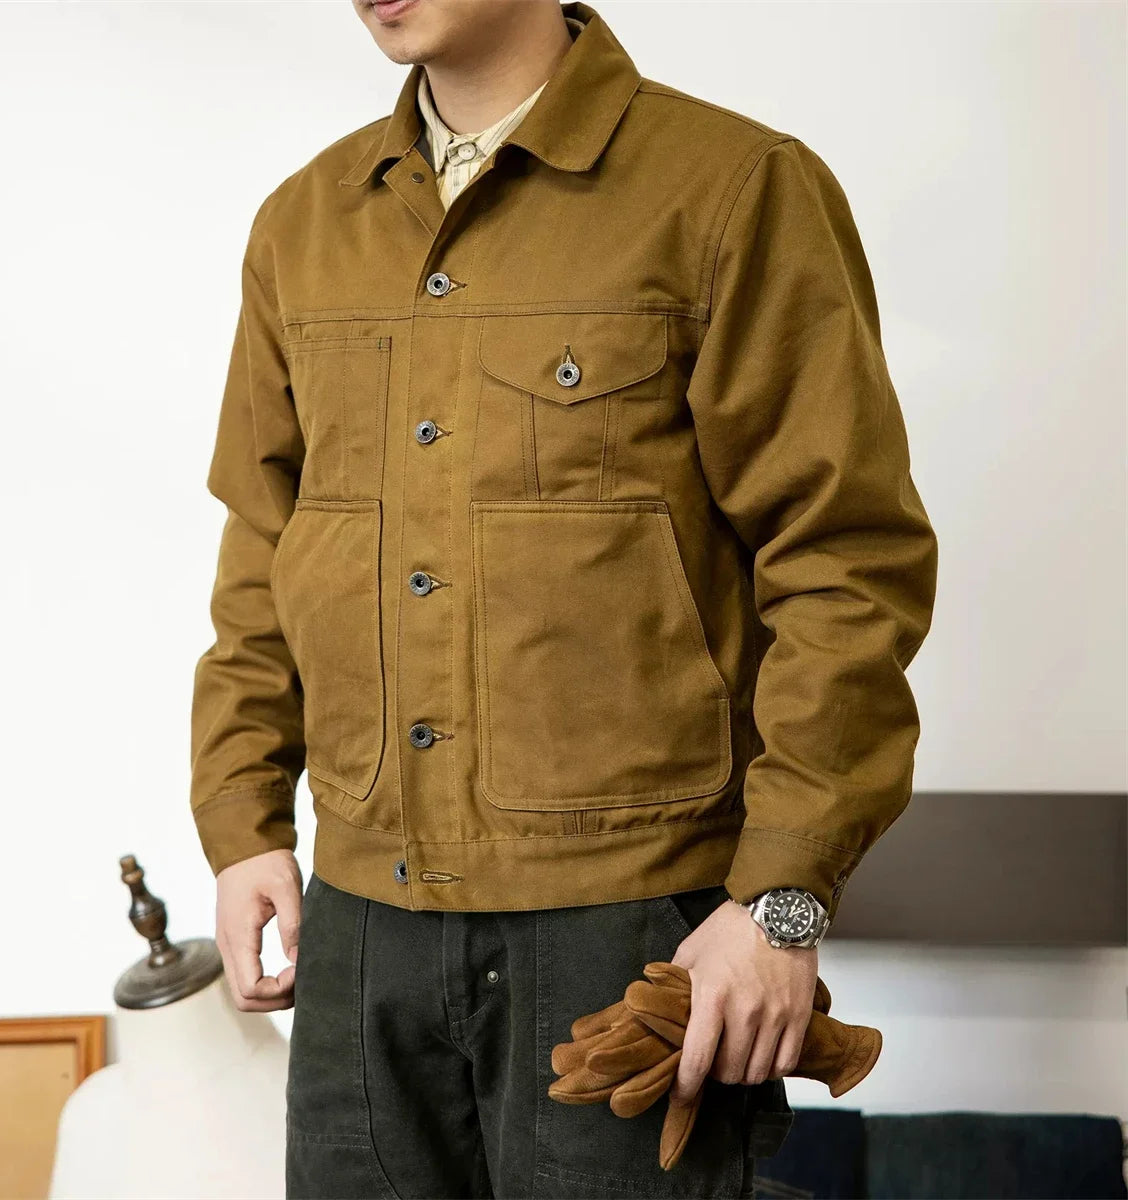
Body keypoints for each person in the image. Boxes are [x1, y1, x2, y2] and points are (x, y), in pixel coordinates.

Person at [188, 2, 939, 1197]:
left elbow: (846, 559)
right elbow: (265, 547)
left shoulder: (734, 188)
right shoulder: (304, 223)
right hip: (363, 931)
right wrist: (243, 823)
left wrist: (780, 901)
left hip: (630, 925)